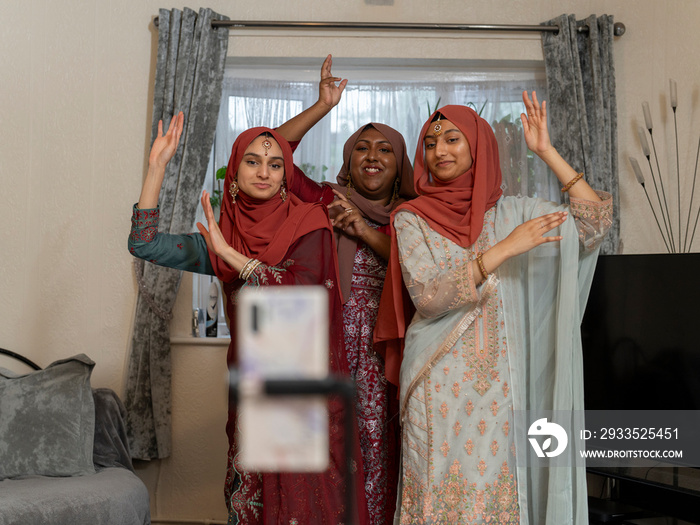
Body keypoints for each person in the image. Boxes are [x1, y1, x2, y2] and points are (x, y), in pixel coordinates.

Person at [374, 92, 613, 524]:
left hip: (502, 388)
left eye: (452, 139)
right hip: (436, 382)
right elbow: (428, 297)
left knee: (497, 500)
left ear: (478, 145)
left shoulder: (514, 212)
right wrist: (504, 250)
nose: (439, 151)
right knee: (436, 498)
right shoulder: (412, 218)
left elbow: (594, 223)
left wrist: (545, 151)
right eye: (430, 143)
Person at [128, 113, 369, 524]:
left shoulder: (308, 223)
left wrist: (232, 258)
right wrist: (156, 168)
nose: (265, 171)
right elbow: (144, 244)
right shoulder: (224, 236)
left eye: (275, 164)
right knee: (254, 501)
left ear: (286, 175)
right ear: (235, 173)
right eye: (253, 161)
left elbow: (304, 291)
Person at [275, 55, 416, 525]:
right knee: (318, 462)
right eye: (362, 148)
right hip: (322, 349)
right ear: (347, 159)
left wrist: (362, 231)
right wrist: (322, 106)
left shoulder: (417, 220)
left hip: (382, 359)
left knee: (377, 460)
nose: (372, 157)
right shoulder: (323, 202)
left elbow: (426, 274)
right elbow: (277, 153)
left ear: (400, 168)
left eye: (385, 150)